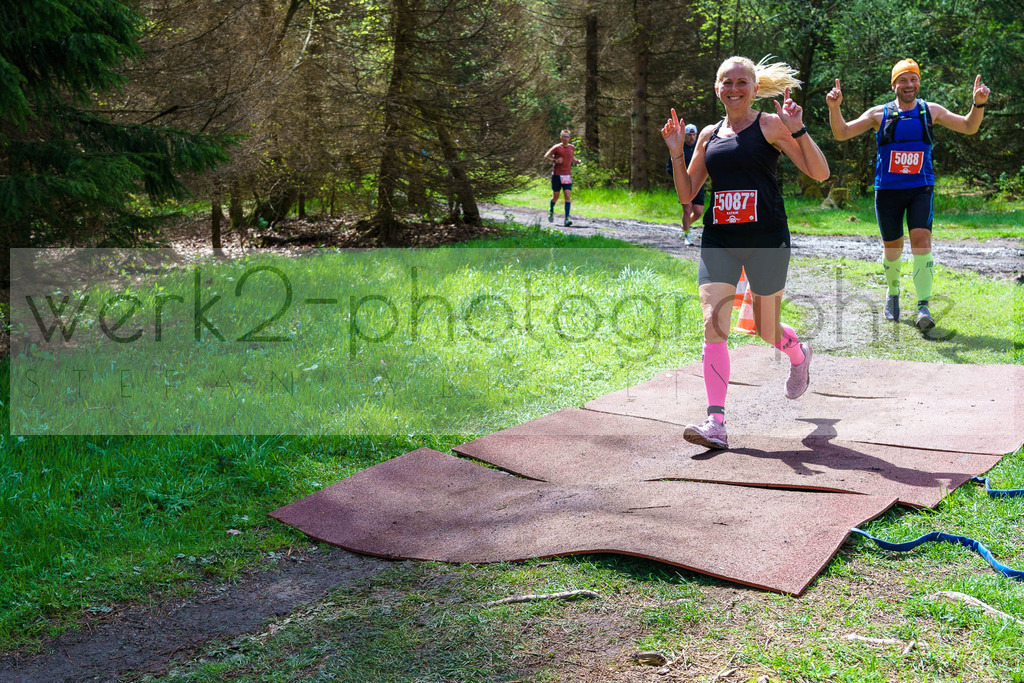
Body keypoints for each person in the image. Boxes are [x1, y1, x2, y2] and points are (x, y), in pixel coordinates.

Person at [661, 56, 830, 449]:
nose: (734, 89)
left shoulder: (769, 125)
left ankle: (798, 353)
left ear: (754, 88)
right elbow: (687, 195)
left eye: (742, 82)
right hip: (720, 238)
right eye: (727, 82)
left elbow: (819, 173)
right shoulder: (708, 133)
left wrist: (799, 129)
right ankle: (715, 422)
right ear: (716, 88)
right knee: (713, 323)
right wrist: (675, 152)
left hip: (766, 239)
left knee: (764, 327)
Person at [826, 59, 990, 331]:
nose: (909, 85)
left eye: (913, 79)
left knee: (922, 240)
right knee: (893, 249)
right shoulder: (879, 114)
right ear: (894, 84)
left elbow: (968, 126)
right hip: (888, 192)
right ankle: (893, 294)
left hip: (920, 189)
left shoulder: (930, 111)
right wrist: (835, 108)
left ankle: (923, 305)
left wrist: (978, 104)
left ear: (919, 82)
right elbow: (842, 132)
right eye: (903, 80)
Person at [665, 123, 705, 246]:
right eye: (689, 135)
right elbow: (669, 167)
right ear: (685, 135)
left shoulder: (700, 146)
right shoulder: (679, 147)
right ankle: (687, 235)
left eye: (694, 134)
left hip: (698, 183)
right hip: (684, 184)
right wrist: (680, 178)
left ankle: (685, 226)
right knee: (687, 209)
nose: (692, 137)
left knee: (698, 211)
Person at [544, 130, 583, 226]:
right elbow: (546, 156)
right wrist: (555, 160)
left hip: (567, 175)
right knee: (556, 197)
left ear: (570, 138)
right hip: (557, 175)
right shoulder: (557, 147)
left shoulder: (571, 147)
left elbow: (571, 157)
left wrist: (576, 161)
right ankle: (551, 210)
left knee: (567, 196)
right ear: (561, 138)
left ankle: (566, 219)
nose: (566, 139)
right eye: (564, 137)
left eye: (567, 137)